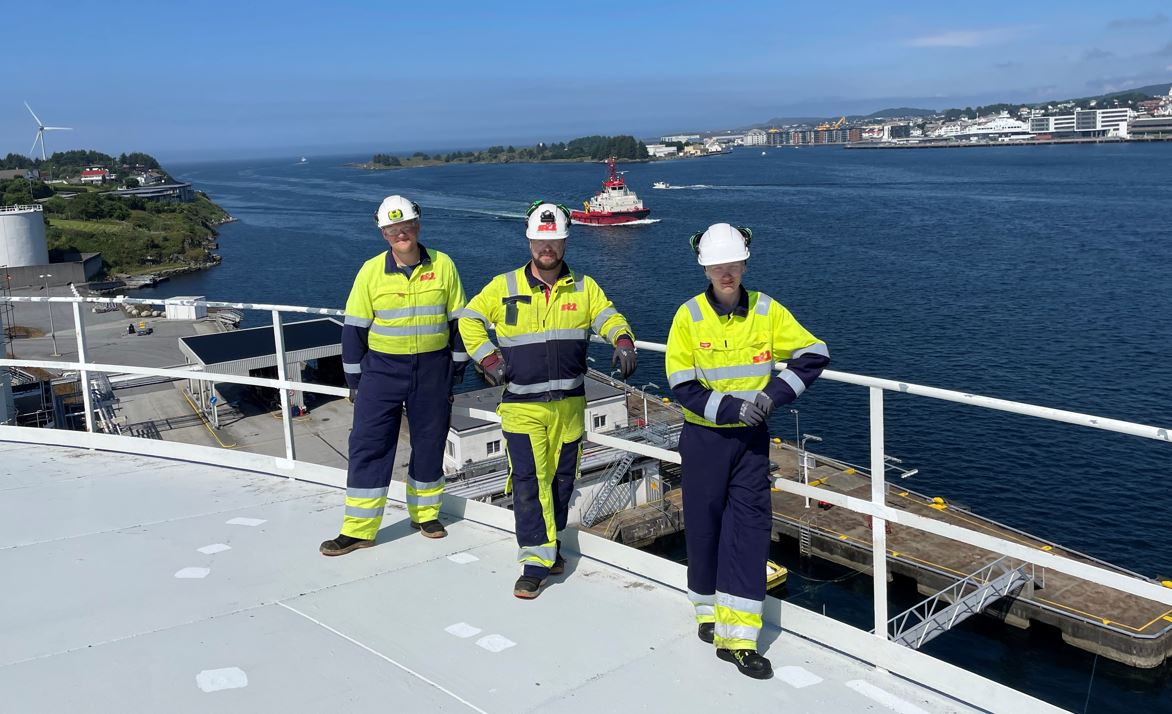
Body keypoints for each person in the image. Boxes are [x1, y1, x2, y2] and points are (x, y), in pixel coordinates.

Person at [664, 223, 829, 679]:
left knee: (750, 530)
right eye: (718, 265)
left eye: (733, 263)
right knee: (703, 529)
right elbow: (681, 384)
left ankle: (737, 639)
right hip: (704, 440)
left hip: (751, 444)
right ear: (706, 268)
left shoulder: (768, 310)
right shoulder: (688, 316)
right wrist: (736, 407)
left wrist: (772, 396)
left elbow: (814, 353)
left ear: (744, 263)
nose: (726, 272)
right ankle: (707, 613)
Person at [458, 201, 637, 599]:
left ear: (564, 241)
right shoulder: (503, 287)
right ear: (529, 240)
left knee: (560, 483)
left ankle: (551, 549)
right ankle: (535, 562)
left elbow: (607, 315)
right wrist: (487, 357)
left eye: (554, 240)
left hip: (570, 406)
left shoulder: (585, 287)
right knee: (528, 482)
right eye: (541, 240)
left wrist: (622, 339)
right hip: (522, 407)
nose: (547, 248)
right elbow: (468, 319)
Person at [319, 195, 469, 556]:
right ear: (384, 234)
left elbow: (459, 321)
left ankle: (426, 514)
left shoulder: (444, 265)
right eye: (393, 229)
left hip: (433, 370)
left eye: (407, 227)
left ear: (418, 226)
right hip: (381, 373)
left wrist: (455, 369)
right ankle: (359, 529)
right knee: (369, 445)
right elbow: (354, 329)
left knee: (430, 443)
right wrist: (355, 381)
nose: (401, 234)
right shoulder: (370, 271)